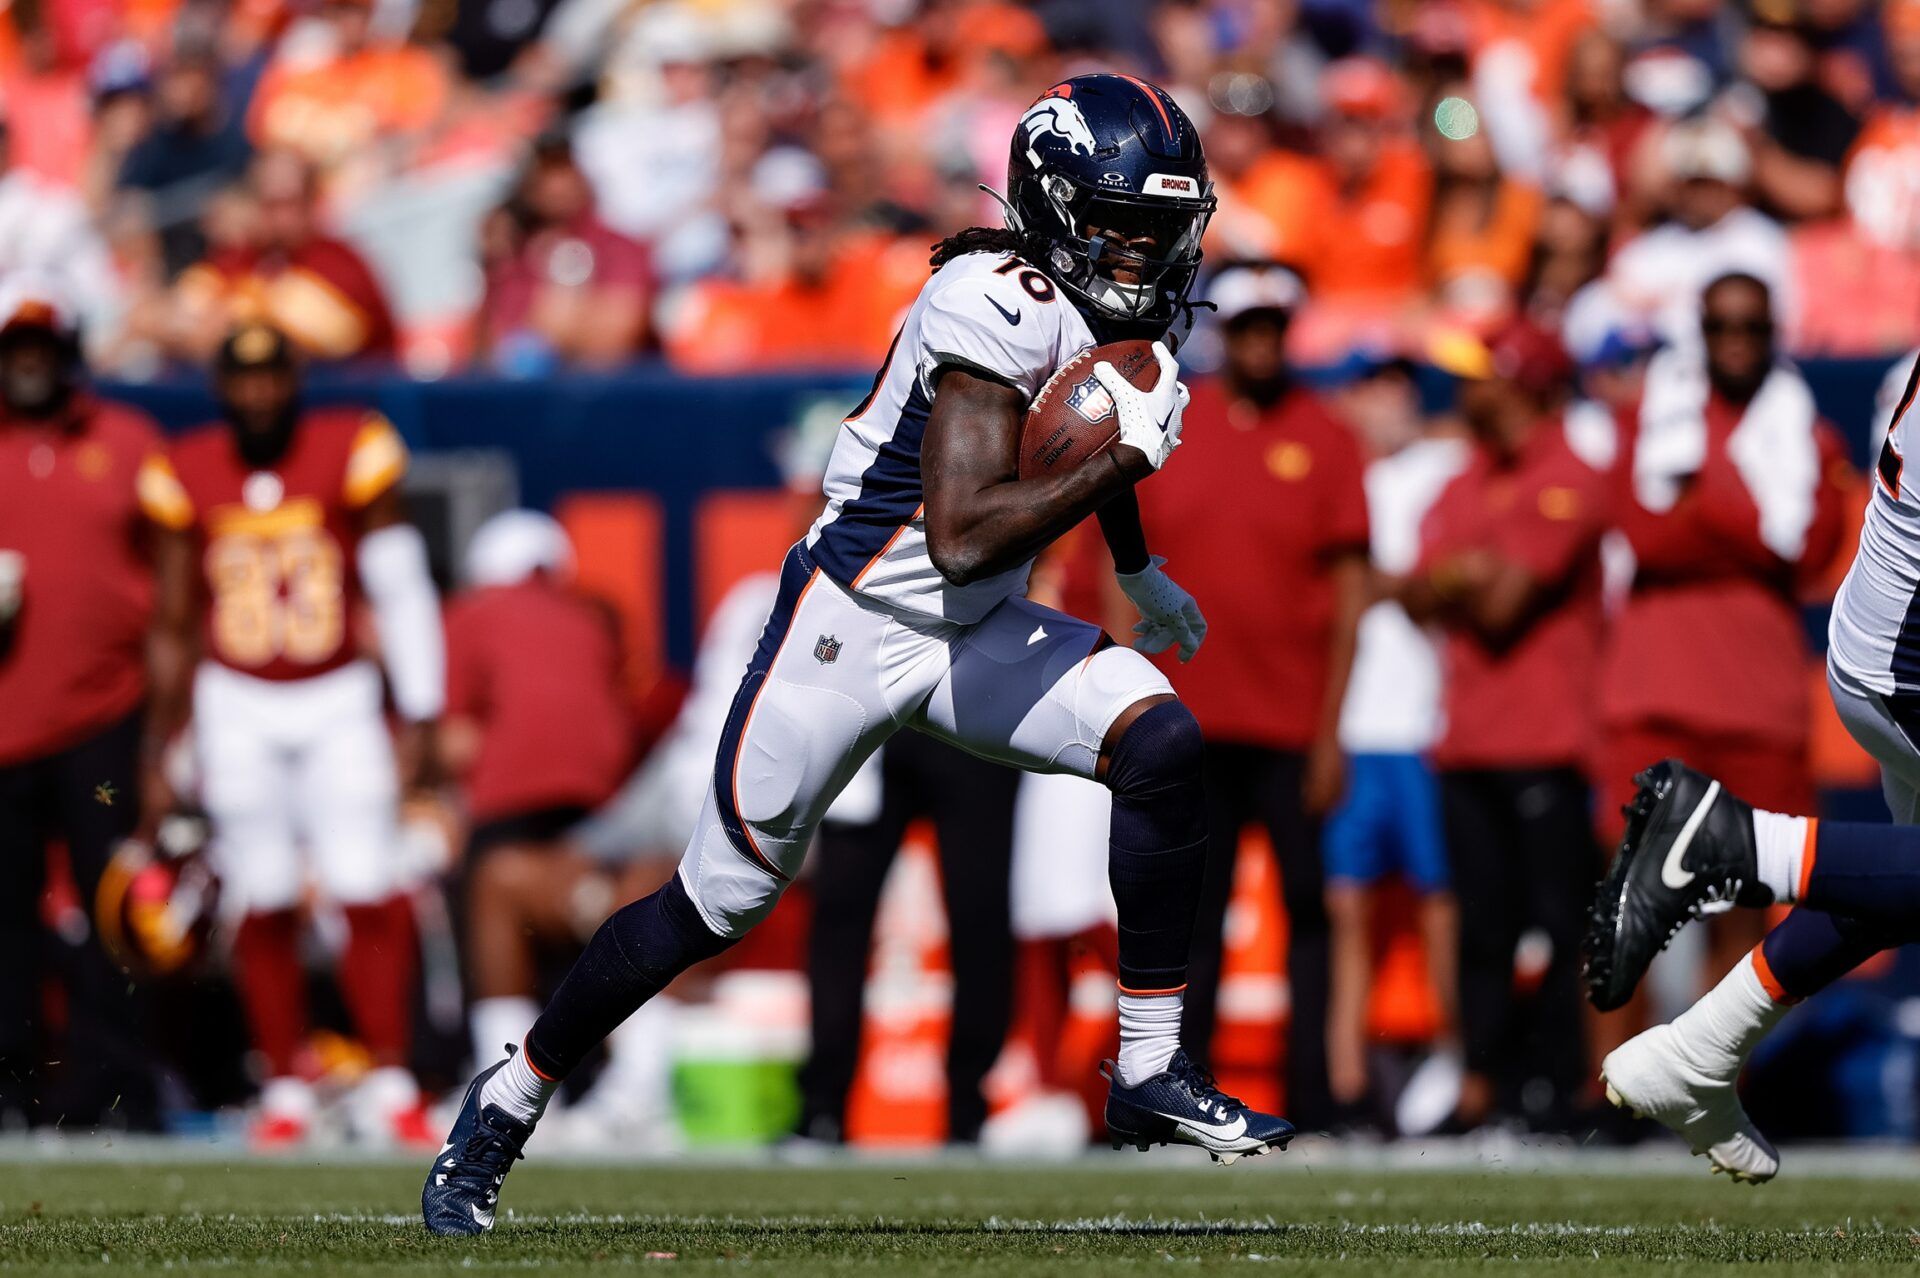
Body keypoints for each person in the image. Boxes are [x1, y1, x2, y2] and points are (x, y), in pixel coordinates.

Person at [424, 72, 1296, 1237]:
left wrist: (1133, 565)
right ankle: (510, 1098)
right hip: (854, 631)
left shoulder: (1101, 305)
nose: (1141, 257)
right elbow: (961, 527)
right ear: (1052, 209)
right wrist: (1117, 471)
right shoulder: (986, 297)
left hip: (975, 629)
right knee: (710, 904)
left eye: (1159, 231)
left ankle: (1147, 1067)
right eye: (1120, 226)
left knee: (1160, 739)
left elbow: (1077, 436)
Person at [1584, 352, 1920, 1183]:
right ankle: (1728, 846)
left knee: (1902, 879)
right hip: (1902, 664)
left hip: (1884, 640)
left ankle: (1699, 1052)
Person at [139, 322, 444, 1147]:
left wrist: (418, 703)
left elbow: (397, 579)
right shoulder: (185, 468)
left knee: (367, 883)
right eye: (244, 378)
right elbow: (172, 620)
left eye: (273, 375)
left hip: (338, 693)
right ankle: (282, 1085)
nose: (260, 393)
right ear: (222, 388)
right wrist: (162, 741)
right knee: (262, 893)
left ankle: (390, 1078)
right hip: (235, 697)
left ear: (294, 379)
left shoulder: (350, 445)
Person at [1131, 261, 1369, 1131]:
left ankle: (1311, 1094)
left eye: (1275, 325)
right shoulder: (1172, 421)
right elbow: (1126, 565)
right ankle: (1176, 1092)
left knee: (1308, 908)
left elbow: (1350, 596)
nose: (1262, 340)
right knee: (1192, 918)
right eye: (1249, 324)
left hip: (1289, 722)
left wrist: (1330, 732)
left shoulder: (1328, 435)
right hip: (1186, 720)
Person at [1596, 274, 1851, 980]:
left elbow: (1807, 551)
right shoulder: (1647, 425)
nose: (1736, 342)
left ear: (1775, 335)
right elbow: (1646, 535)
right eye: (1720, 327)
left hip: (1757, 707)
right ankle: (1607, 1091)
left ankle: (1722, 1086)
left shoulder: (1810, 435)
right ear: (1698, 333)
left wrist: (1704, 500)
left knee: (1744, 912)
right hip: (1652, 699)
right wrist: (1748, 527)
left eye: (1753, 327)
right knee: (1624, 910)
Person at [1392, 317, 1608, 1132]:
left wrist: (1454, 578)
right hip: (1468, 738)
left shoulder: (1570, 475)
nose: (1468, 388)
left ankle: (1559, 1082)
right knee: (1482, 926)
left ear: (1522, 383)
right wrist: (1461, 574)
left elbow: (1503, 604)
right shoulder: (1462, 477)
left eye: (1483, 374)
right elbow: (1409, 594)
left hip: (1548, 740)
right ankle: (1482, 1081)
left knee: (1558, 925)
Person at [0, 280, 167, 1128]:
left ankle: (120, 1092)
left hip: (106, 716)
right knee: (5, 921)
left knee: (115, 913)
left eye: (40, 350)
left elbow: (176, 576)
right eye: (14, 352)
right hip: (4, 725)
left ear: (68, 353)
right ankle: (14, 1091)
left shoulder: (128, 441)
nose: (28, 366)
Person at [1322, 354, 1466, 1131]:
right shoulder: (1336, 474)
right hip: (1350, 728)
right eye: (1371, 387)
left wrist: (1390, 583)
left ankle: (1453, 1064)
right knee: (1347, 908)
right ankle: (1347, 1083)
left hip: (1422, 724)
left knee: (1440, 904)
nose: (1386, 403)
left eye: (1397, 389)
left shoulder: (1444, 466)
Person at [444, 510, 636, 1083]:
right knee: (576, 938)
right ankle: (590, 1077)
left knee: (482, 908)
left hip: (508, 803)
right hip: (601, 808)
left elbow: (454, 740)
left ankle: (495, 1082)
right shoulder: (594, 620)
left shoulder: (470, 614)